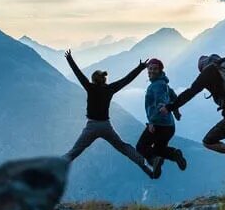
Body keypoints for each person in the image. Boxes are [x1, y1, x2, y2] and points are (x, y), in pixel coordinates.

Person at [163, 40, 225, 176]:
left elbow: (190, 92)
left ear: (202, 67)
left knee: (208, 141)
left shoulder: (208, 72)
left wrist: (171, 107)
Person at [62, 50, 155, 178]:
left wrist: (69, 59)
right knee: (123, 147)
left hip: (92, 126)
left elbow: (78, 74)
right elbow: (126, 80)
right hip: (106, 126)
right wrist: (139, 68)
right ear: (104, 79)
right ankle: (144, 166)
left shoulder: (90, 87)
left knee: (74, 151)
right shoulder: (110, 89)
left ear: (93, 80)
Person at [136, 58, 187, 178]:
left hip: (158, 125)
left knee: (141, 147)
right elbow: (174, 97)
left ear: (160, 70)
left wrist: (152, 122)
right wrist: (176, 112)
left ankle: (154, 161)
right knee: (159, 149)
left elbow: (160, 104)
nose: (151, 71)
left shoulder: (157, 86)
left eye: (155, 69)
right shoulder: (164, 84)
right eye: (150, 69)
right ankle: (175, 154)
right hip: (169, 126)